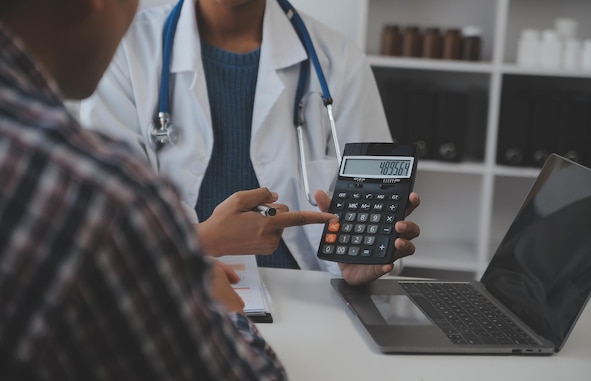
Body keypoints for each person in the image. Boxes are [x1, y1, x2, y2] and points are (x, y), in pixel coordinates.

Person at [0, 0, 339, 377]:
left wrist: (353, 257)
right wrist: (208, 296)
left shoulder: (337, 57)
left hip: (319, 315)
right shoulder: (106, 195)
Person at [79, 0, 421, 280]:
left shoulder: (340, 61)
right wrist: (201, 241)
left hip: (312, 300)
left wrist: (356, 259)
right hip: (175, 295)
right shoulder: (126, 49)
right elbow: (106, 219)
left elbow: (373, 215)